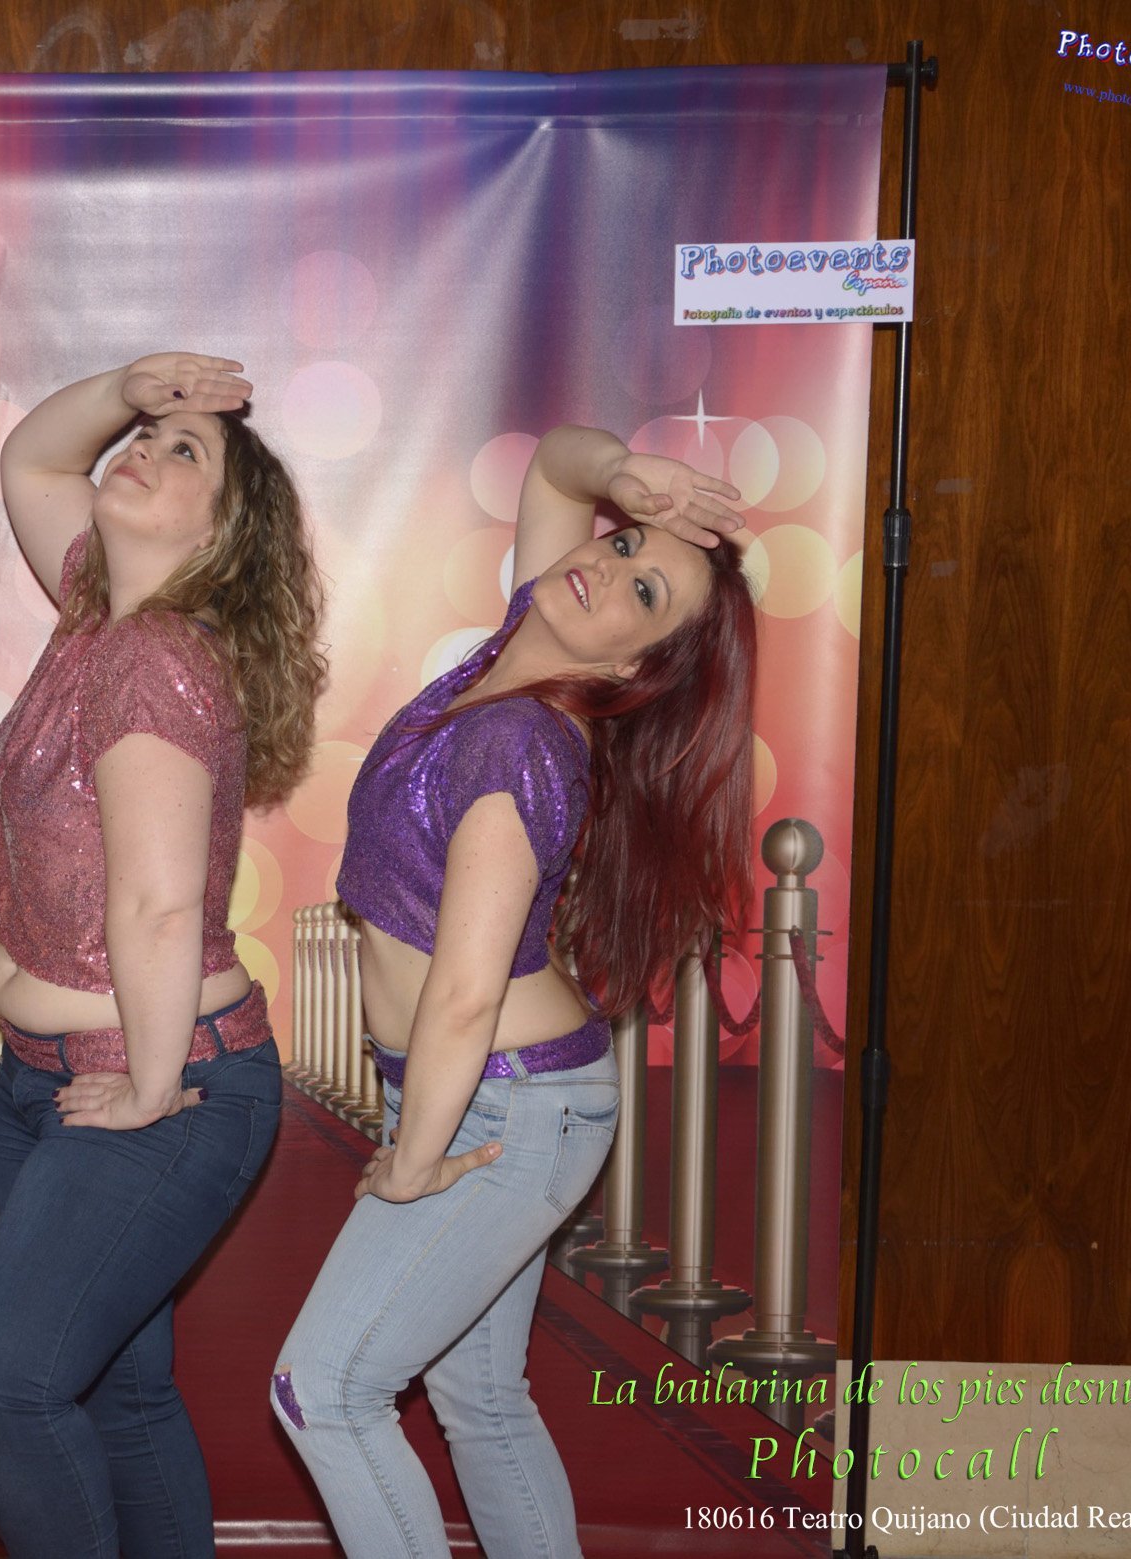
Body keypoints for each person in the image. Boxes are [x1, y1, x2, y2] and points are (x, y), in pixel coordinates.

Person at [273, 424, 756, 1558]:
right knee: (480, 1399)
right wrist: (623, 476)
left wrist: (412, 1158)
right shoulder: (515, 655)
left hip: (498, 1099)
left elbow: (463, 991)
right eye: (624, 542)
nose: (608, 564)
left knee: (324, 1388)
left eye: (645, 590)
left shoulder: (516, 740)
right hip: (500, 1092)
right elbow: (554, 469)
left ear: (633, 666)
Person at [0, 353, 327, 1558]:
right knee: (120, 1391)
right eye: (146, 436)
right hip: (53, 1077)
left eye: (183, 451)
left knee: (3, 1385)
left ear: (223, 535)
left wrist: (154, 1087)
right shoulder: (94, 614)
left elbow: (158, 905)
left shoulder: (153, 651)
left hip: (158, 1076)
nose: (143, 446)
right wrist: (139, 384)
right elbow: (32, 457)